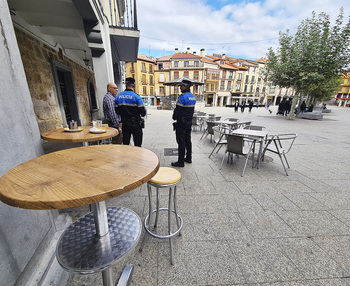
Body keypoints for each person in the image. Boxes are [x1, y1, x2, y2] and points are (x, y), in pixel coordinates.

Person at [171, 79, 196, 167]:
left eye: (181, 86)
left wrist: (174, 117)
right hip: (189, 122)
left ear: (185, 86)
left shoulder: (182, 97)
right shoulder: (193, 97)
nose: (180, 87)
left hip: (181, 123)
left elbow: (177, 110)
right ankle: (188, 158)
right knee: (188, 140)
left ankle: (180, 161)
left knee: (181, 141)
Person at [115, 77, 146, 147]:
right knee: (138, 145)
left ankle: (127, 157)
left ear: (126, 84)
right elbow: (143, 113)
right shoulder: (137, 97)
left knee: (126, 145)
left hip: (125, 124)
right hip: (136, 124)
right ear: (134, 85)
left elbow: (117, 112)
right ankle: (137, 157)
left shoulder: (118, 97)